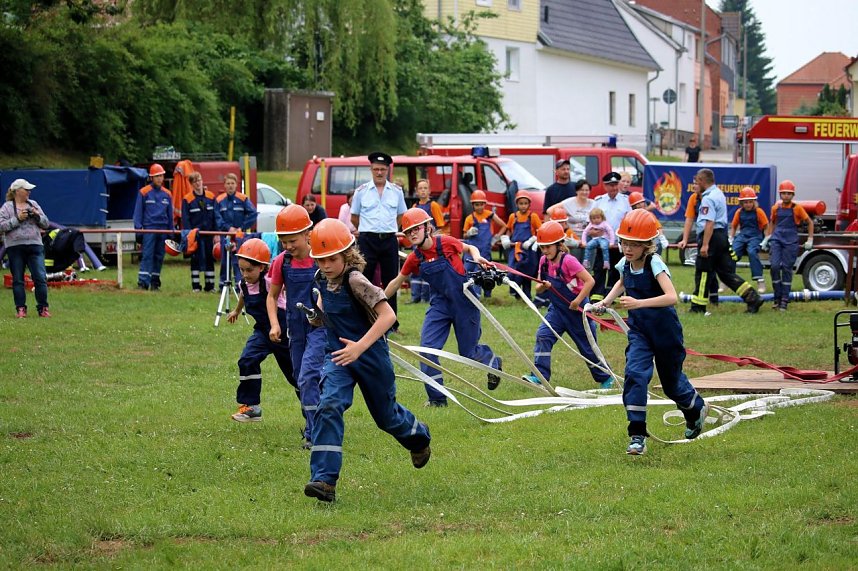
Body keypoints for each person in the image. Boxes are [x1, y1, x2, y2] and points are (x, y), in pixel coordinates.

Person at [303, 219, 431, 503]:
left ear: (347, 254)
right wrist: (317, 316)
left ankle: (419, 437)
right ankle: (324, 480)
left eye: (332, 259)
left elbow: (388, 316)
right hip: (338, 356)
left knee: (386, 418)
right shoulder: (321, 279)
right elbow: (326, 305)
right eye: (320, 259)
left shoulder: (356, 280)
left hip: (370, 356)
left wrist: (360, 347)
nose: (325, 265)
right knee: (329, 405)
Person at [592, 209, 710, 455]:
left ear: (647, 245)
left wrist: (638, 303)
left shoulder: (655, 263)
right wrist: (605, 302)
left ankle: (695, 408)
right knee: (635, 374)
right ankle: (637, 434)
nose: (628, 248)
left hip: (666, 333)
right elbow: (622, 282)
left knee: (671, 385)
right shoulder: (625, 263)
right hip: (640, 332)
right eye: (625, 242)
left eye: (634, 244)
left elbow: (672, 297)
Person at [385, 208, 504, 406]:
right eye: (408, 231)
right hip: (439, 305)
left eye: (416, 228)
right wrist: (377, 301)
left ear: (427, 228)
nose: (412, 233)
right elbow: (397, 282)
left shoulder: (445, 242)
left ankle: (493, 364)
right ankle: (437, 399)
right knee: (427, 352)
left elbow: (468, 248)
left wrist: (477, 257)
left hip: (464, 302)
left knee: (469, 353)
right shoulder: (415, 258)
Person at [523, 221, 612, 389]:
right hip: (557, 311)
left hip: (577, 313)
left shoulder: (569, 261)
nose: (545, 250)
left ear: (559, 244)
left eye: (549, 246)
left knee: (588, 349)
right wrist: (544, 285)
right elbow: (538, 289)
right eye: (542, 247)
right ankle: (540, 376)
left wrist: (578, 300)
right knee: (543, 336)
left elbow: (589, 281)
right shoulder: (543, 261)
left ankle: (606, 378)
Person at [266, 205, 324, 448]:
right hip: (295, 329)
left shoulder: (323, 257)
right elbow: (272, 296)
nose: (288, 246)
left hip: (319, 326)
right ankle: (317, 420)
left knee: (310, 375)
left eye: (292, 240)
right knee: (301, 378)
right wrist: (274, 324)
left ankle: (314, 433)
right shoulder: (282, 262)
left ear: (308, 233)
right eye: (283, 241)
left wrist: (319, 312)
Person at [227, 238, 297, 427]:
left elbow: (282, 291)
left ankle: (314, 407)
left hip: (282, 332)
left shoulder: (269, 283)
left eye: (249, 270)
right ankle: (251, 406)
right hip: (263, 332)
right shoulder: (243, 284)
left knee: (295, 375)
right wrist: (236, 310)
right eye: (242, 270)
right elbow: (243, 295)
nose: (245, 274)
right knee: (247, 360)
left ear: (262, 267)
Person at [684, 168, 764, 315]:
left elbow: (709, 222)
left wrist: (706, 244)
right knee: (726, 273)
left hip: (711, 237)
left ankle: (697, 307)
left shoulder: (707, 198)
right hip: (721, 237)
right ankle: (752, 297)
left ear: (702, 181)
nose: (696, 184)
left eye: (697, 182)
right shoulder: (718, 193)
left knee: (703, 272)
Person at [350, 151, 407, 332]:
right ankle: (364, 319)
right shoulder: (361, 192)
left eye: (382, 169)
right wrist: (369, 230)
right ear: (371, 169)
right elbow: (354, 217)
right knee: (362, 281)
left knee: (391, 280)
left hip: (389, 239)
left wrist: (387, 229)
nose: (379, 173)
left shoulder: (396, 192)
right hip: (368, 239)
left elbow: (400, 215)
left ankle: (392, 323)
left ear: (388, 170)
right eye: (376, 169)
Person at [0, 179, 51, 318]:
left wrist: (36, 216)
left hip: (35, 245)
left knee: (40, 277)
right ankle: (21, 309)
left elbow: (46, 223)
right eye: (26, 189)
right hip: (15, 247)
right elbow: (1, 226)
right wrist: (18, 218)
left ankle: (43, 308)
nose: (29, 192)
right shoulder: (7, 207)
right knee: (18, 279)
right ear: (17, 191)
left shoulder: (33, 204)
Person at [761, 180, 814, 311]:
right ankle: (776, 296)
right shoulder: (775, 208)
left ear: (793, 195)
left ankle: (784, 299)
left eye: (789, 193)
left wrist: (810, 239)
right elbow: (772, 222)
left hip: (791, 241)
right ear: (780, 194)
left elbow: (810, 222)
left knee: (786, 268)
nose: (786, 196)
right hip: (777, 240)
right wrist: (768, 237)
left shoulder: (797, 209)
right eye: (783, 193)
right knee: (774, 267)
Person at [590, 172, 631, 301]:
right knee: (599, 269)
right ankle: (597, 296)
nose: (613, 188)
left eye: (615, 185)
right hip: (603, 243)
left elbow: (630, 220)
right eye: (610, 185)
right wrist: (594, 231)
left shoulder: (625, 201)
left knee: (618, 270)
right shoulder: (599, 201)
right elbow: (590, 220)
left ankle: (614, 297)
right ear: (605, 186)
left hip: (619, 244)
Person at [133, 163, 173, 291]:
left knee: (159, 256)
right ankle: (143, 282)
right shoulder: (144, 192)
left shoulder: (167, 194)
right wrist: (138, 230)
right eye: (157, 176)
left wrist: (171, 232)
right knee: (147, 255)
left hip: (163, 229)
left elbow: (170, 215)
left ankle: (155, 282)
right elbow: (138, 213)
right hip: (149, 229)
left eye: (161, 176)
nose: (159, 179)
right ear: (151, 178)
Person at [462, 189, 508, 297]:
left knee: (486, 272)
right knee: (468, 271)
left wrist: (496, 238)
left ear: (485, 204)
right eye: (477, 205)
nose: (479, 207)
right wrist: (468, 233)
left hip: (485, 251)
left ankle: (487, 295)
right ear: (473, 205)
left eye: (481, 204)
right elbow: (464, 235)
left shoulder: (490, 215)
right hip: (471, 251)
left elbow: (504, 226)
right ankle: (470, 294)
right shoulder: (469, 218)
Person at [215, 173, 257, 289]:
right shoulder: (219, 200)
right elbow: (217, 217)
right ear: (224, 185)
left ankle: (240, 285)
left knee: (239, 260)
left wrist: (241, 228)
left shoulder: (243, 199)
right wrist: (228, 228)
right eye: (228, 183)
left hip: (239, 235)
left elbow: (253, 214)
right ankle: (223, 285)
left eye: (232, 183)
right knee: (225, 260)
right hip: (226, 234)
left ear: (236, 185)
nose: (230, 186)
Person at [409, 179, 447, 303]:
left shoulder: (433, 205)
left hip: (430, 245)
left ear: (429, 191)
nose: (423, 191)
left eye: (425, 188)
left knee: (428, 269)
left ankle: (426, 297)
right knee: (416, 269)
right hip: (417, 245)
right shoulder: (414, 207)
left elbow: (440, 225)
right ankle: (415, 297)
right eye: (420, 188)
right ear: (416, 191)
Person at [501, 190, 542, 300]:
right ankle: (516, 293)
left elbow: (540, 231)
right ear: (517, 204)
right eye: (521, 203)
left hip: (527, 250)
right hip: (515, 250)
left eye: (525, 203)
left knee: (526, 274)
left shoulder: (533, 217)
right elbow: (509, 230)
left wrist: (532, 240)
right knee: (513, 271)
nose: (523, 206)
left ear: (529, 204)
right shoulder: (513, 217)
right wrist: (506, 239)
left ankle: (526, 295)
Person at [181, 172, 217, 292]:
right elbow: (185, 219)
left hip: (209, 235)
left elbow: (216, 216)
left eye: (199, 180)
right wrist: (189, 235)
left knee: (209, 259)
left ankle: (210, 286)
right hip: (195, 236)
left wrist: (216, 233)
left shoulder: (211, 197)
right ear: (191, 184)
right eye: (195, 181)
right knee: (195, 259)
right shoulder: (187, 199)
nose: (198, 183)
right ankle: (196, 286)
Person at [729, 187, 769, 294]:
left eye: (750, 202)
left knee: (752, 252)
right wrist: (731, 239)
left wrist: (766, 239)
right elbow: (733, 226)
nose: (748, 204)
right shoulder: (738, 212)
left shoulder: (759, 212)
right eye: (745, 202)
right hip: (742, 235)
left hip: (755, 236)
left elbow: (766, 226)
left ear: (754, 202)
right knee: (732, 253)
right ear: (741, 203)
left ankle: (760, 280)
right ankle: (728, 279)